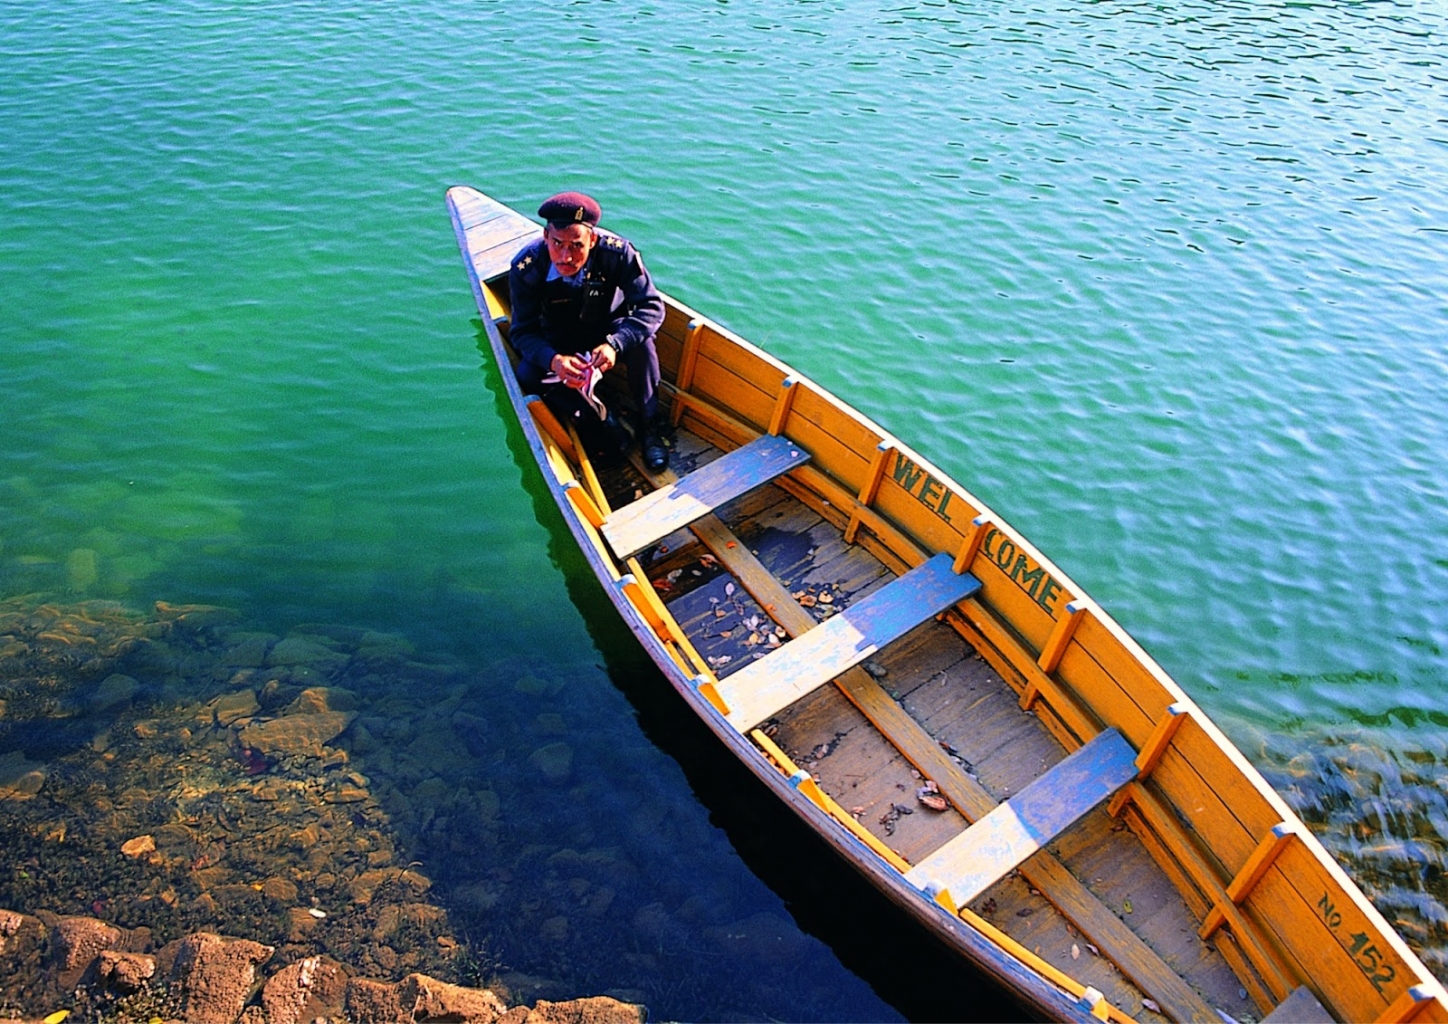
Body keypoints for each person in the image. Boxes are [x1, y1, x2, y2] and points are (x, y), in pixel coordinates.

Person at [508, 191, 670, 472]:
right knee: (526, 374)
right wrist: (554, 360)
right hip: (558, 340)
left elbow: (651, 307)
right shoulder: (527, 268)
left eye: (576, 246)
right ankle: (599, 418)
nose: (566, 256)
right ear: (545, 237)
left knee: (644, 344)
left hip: (608, 331)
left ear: (592, 240)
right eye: (557, 244)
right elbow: (522, 332)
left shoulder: (617, 254)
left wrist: (615, 344)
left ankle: (650, 428)